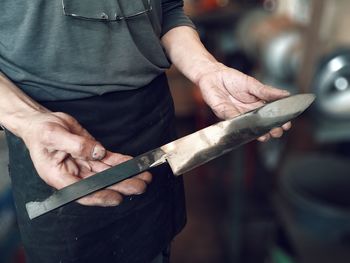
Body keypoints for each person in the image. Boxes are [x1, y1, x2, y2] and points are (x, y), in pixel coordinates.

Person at [0, 0, 291, 262]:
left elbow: (167, 11)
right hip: (52, 138)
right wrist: (27, 119)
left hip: (150, 119)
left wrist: (206, 70)